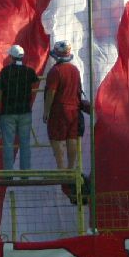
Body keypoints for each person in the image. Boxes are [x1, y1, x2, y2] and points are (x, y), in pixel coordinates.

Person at [0, 44, 39, 172]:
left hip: (8, 112)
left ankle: (8, 173)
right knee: (25, 143)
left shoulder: (5, 72)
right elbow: (35, 82)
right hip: (25, 111)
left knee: (8, 144)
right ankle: (25, 172)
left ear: (11, 57)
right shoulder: (29, 72)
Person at [43, 40, 82, 171]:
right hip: (74, 109)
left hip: (59, 109)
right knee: (71, 137)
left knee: (56, 138)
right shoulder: (75, 70)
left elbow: (51, 92)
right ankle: (71, 168)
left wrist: (46, 111)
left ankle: (61, 167)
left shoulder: (56, 71)